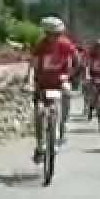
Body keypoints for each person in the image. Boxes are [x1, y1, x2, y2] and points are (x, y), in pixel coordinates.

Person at [26, 16, 79, 163]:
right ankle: (40, 145)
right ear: (46, 33)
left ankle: (62, 125)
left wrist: (69, 75)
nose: (55, 37)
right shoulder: (41, 46)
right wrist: (29, 82)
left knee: (67, 94)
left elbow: (76, 61)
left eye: (58, 34)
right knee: (38, 113)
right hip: (42, 84)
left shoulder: (66, 44)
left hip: (59, 82)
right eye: (52, 34)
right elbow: (33, 66)